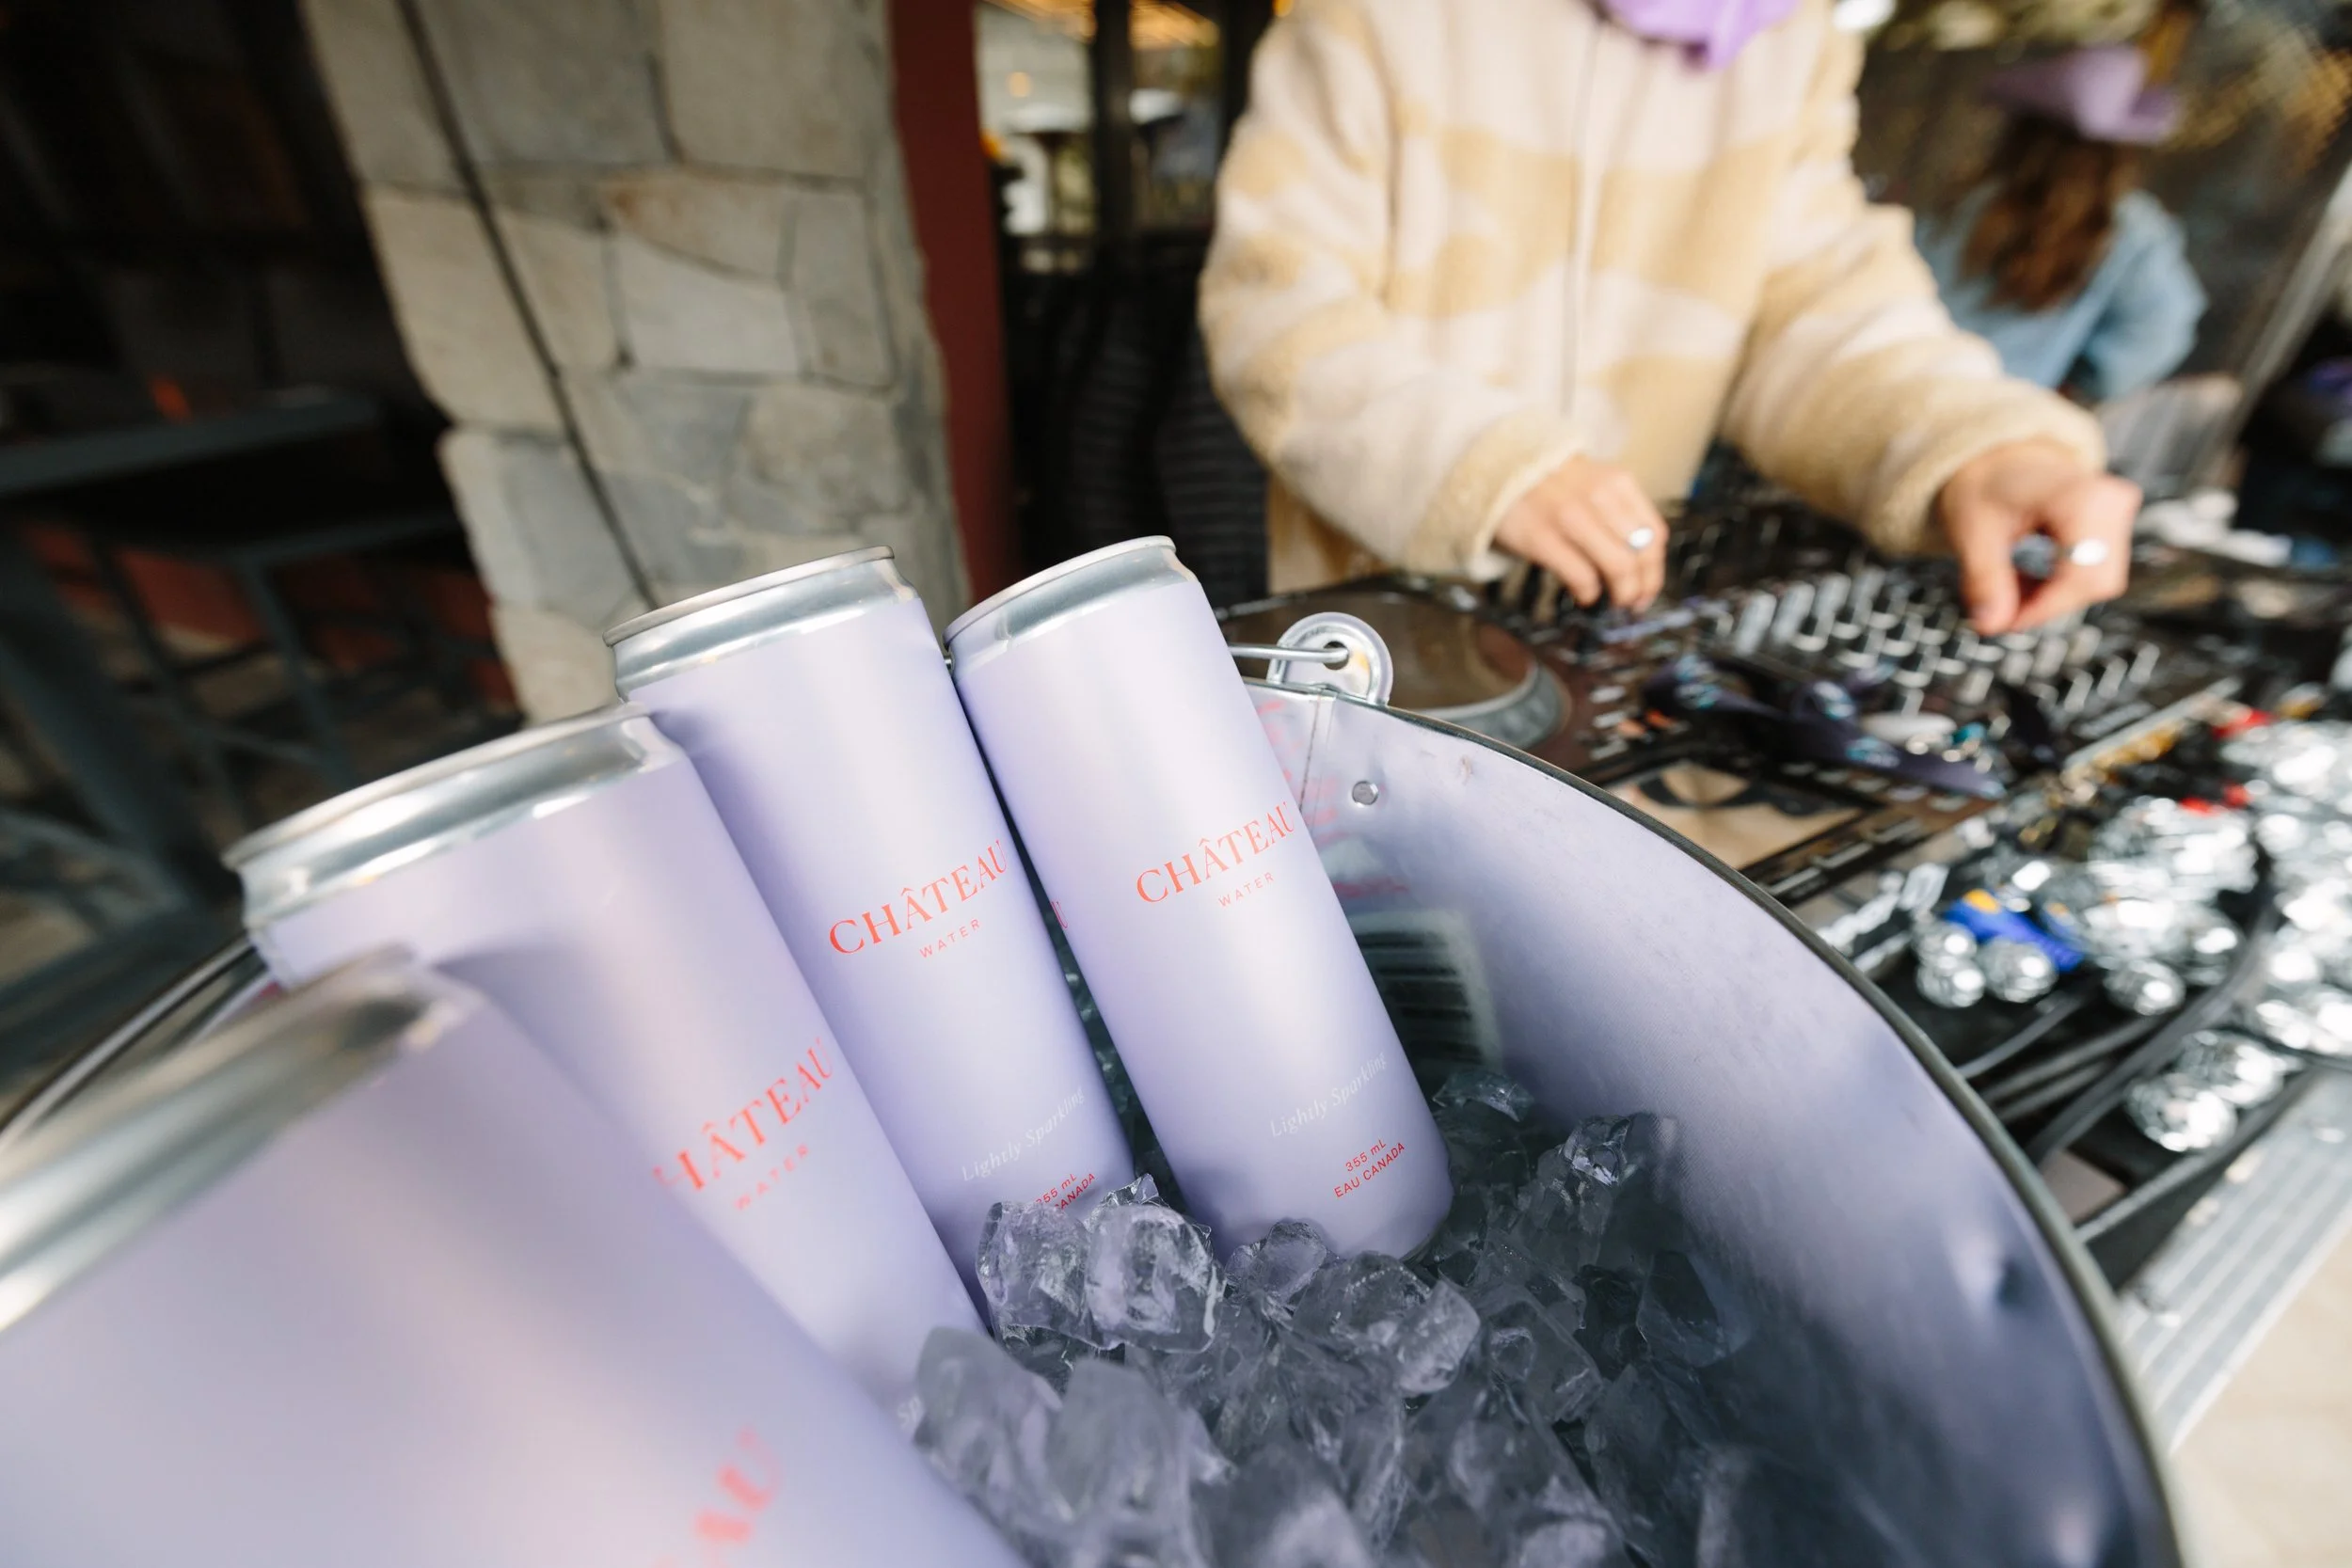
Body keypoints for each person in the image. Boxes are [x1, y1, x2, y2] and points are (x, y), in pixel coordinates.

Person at [1199, 0, 2143, 638]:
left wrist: (1973, 445)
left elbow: (1814, 294)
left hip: (1607, 621)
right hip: (1377, 624)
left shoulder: (1787, 32)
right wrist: (1474, 464)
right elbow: (1275, 298)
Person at [1917, 48, 2205, 406]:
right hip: (2004, 414)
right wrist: (2079, 379)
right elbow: (2161, 329)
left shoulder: (1967, 201)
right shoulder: (2131, 227)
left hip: (1912, 385)